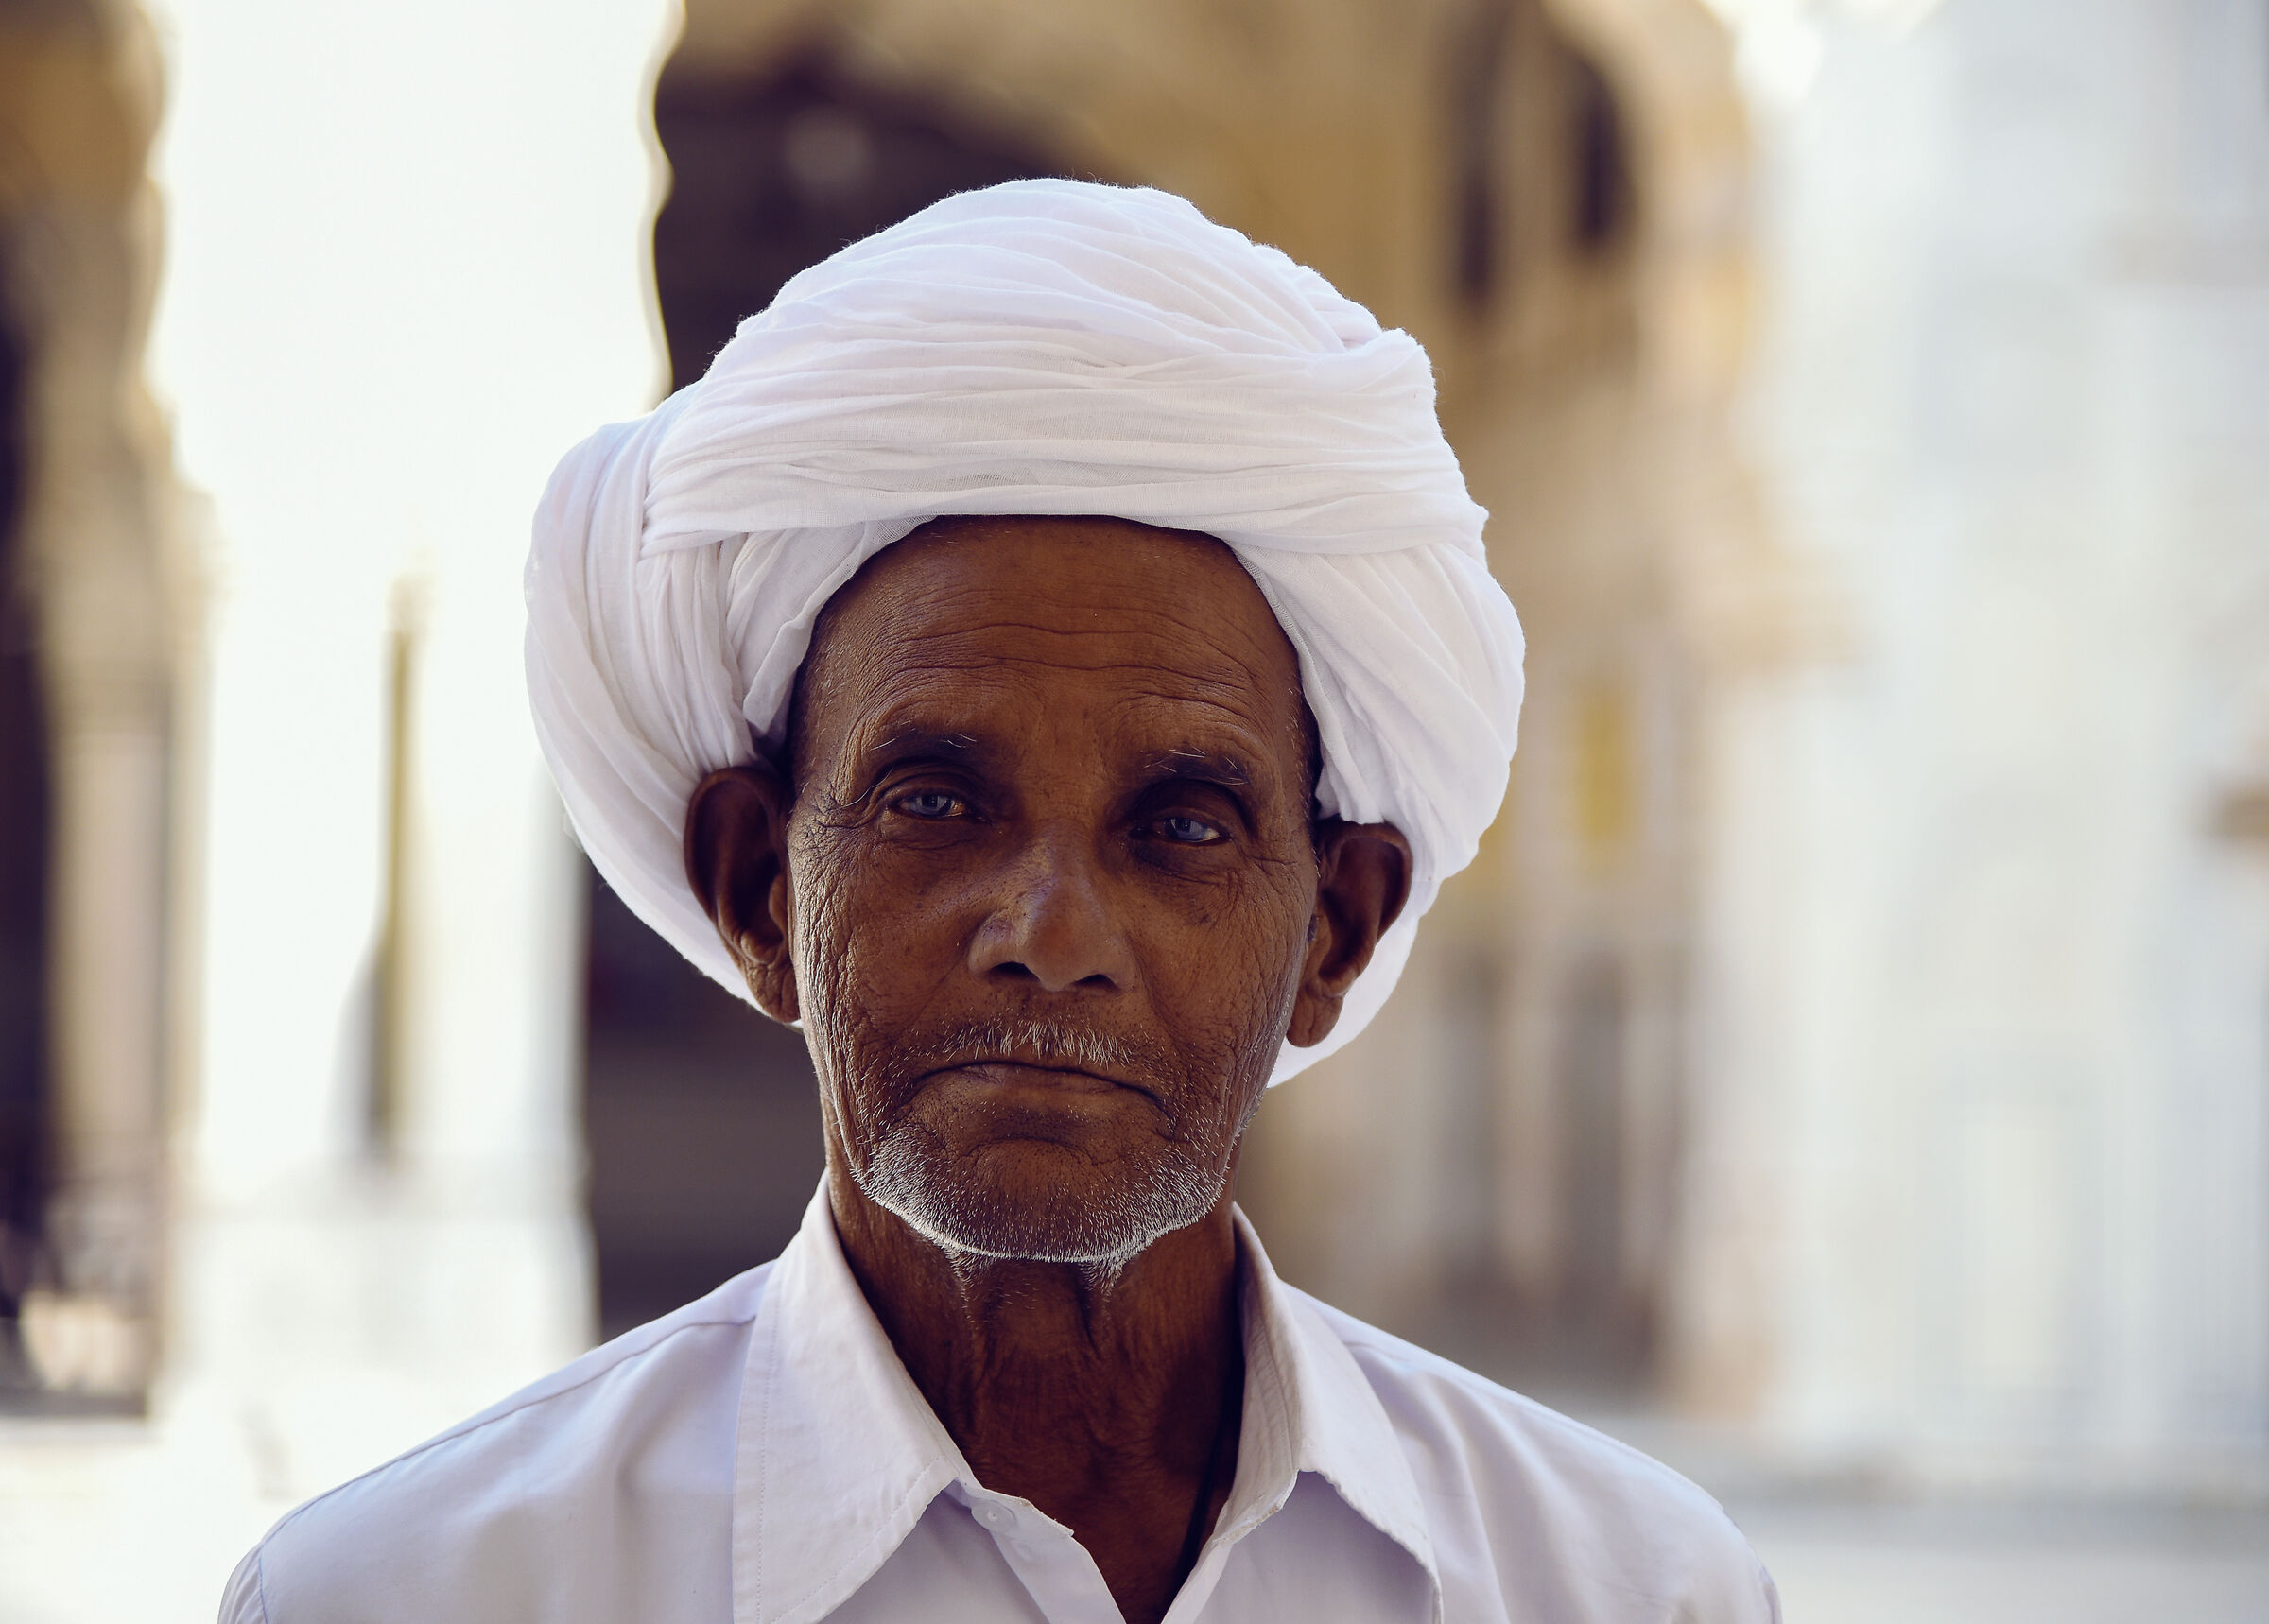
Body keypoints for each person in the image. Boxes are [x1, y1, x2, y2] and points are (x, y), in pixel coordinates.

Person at [220, 181, 1777, 1624]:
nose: (1048, 927)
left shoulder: (1618, 1584)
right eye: (936, 802)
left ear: (1336, 931)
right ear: (759, 885)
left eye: (1180, 822)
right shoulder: (417, 1590)